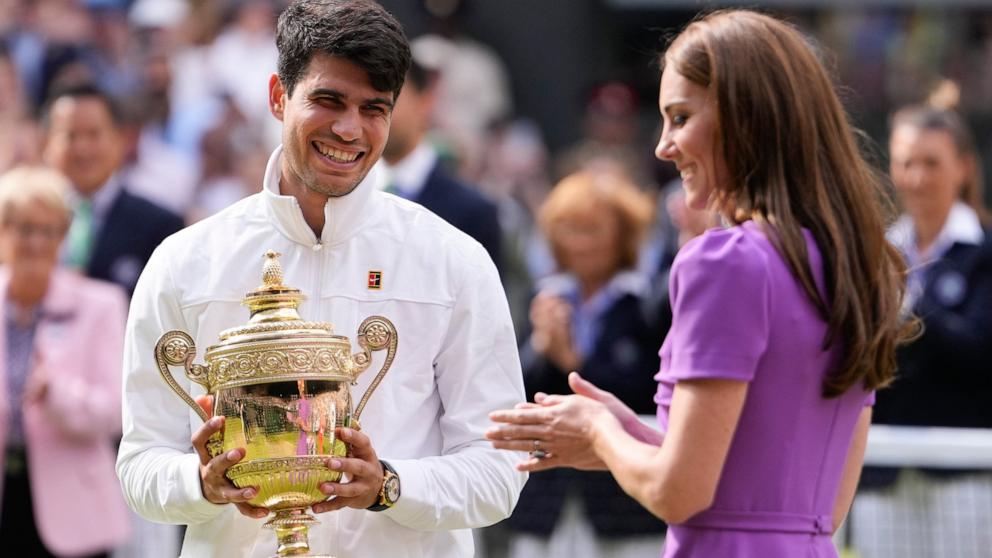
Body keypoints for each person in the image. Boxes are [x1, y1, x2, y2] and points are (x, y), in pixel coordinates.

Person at [487, 10, 913, 558]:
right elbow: (814, 507)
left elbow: (678, 493)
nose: (663, 146)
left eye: (681, 117)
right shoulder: (856, 263)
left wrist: (598, 430)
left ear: (746, 117)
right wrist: (629, 437)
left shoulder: (724, 261)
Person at [115, 2, 527, 558]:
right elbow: (141, 461)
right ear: (278, 96)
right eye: (328, 100)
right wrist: (201, 484)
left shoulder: (453, 260)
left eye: (373, 108)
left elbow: (500, 466)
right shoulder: (186, 261)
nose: (348, 129)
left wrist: (388, 485)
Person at [852, 91, 992, 558]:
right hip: (881, 470)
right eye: (906, 162)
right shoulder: (876, 255)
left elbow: (980, 351)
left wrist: (908, 312)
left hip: (965, 475)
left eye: (932, 163)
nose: (917, 177)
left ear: (964, 167)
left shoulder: (985, 254)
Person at [506, 171, 668, 558]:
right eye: (568, 229)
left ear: (622, 234)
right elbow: (515, 388)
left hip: (623, 497)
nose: (578, 242)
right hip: (548, 498)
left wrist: (576, 363)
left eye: (592, 229)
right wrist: (543, 348)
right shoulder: (546, 297)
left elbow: (650, 391)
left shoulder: (646, 305)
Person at [0, 166, 130, 557]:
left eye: (49, 230)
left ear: (64, 236)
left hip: (73, 511)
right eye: (24, 229)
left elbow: (115, 414)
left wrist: (55, 394)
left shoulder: (100, 305)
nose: (36, 243)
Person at [41, 83, 185, 297]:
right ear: (47, 143)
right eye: (70, 135)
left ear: (120, 140)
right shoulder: (23, 223)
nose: (82, 148)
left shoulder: (161, 227)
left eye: (94, 134)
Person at [381, 57, 502, 271]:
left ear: (425, 101)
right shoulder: (340, 196)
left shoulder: (473, 210)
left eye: (390, 97)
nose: (377, 110)